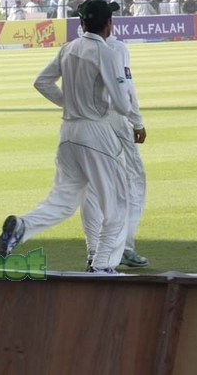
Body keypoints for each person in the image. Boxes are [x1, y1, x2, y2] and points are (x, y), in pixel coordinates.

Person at [0, 0, 141, 274]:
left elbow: (42, 82)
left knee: (62, 202)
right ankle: (103, 266)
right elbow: (122, 104)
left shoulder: (68, 49)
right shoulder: (107, 53)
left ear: (81, 23)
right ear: (109, 23)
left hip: (68, 133)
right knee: (118, 204)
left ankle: (22, 227)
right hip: (95, 133)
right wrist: (118, 110)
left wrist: (69, 103)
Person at [80, 33, 148, 270]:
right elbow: (126, 89)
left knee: (90, 188)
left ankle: (93, 252)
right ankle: (123, 247)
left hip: (83, 122)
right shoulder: (117, 48)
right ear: (108, 23)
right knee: (132, 183)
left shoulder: (73, 48)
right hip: (114, 122)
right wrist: (137, 123)